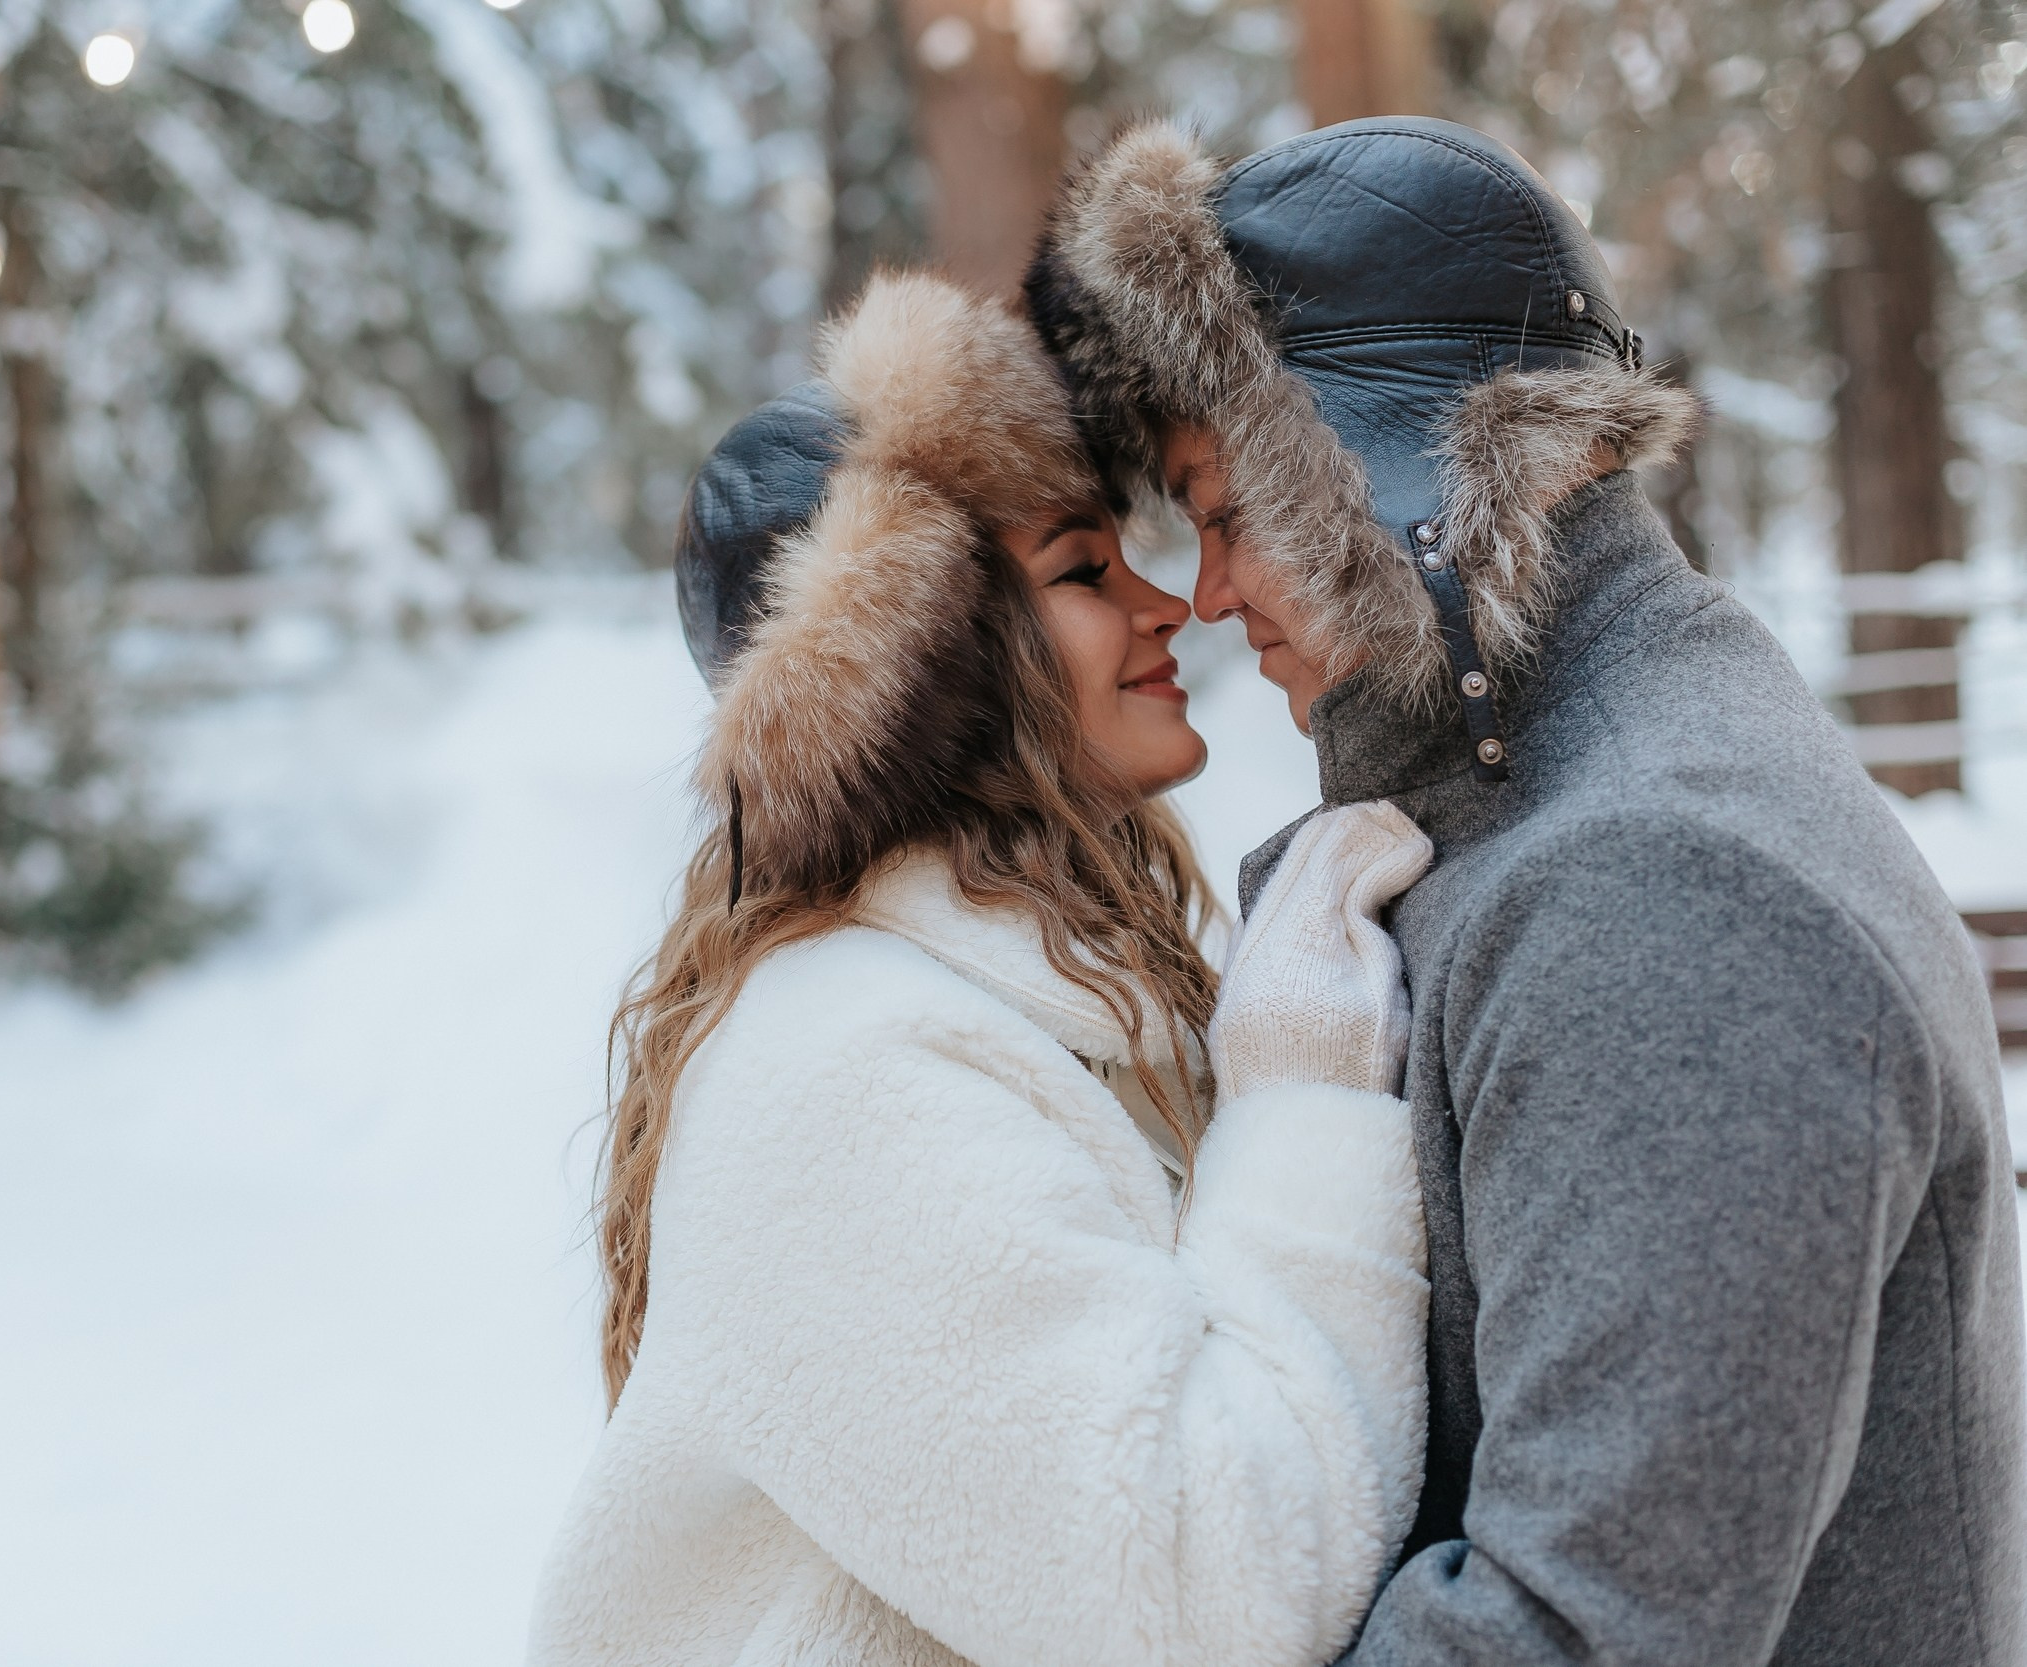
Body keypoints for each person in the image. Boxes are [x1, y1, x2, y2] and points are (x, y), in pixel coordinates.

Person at [1026, 116, 2026, 1666]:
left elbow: (1576, 1629)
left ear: (1412, 472)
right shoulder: (1572, 795)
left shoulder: (1659, 894)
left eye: (1232, 509)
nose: (1212, 594)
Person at [529, 270, 1437, 1667]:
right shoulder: (842, 1080)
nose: (1165, 605)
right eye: (1082, 570)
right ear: (930, 663)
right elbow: (1202, 1593)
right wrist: (1305, 1100)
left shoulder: (1028, 1004)